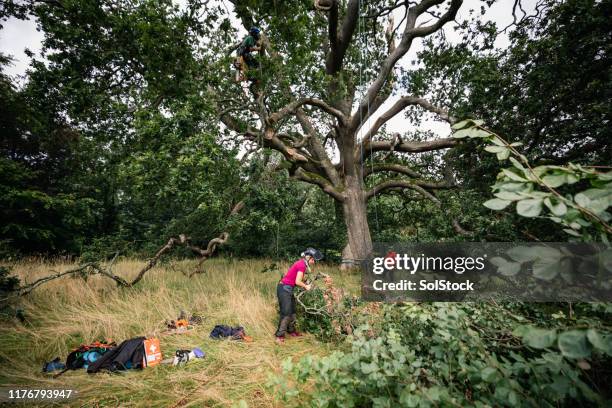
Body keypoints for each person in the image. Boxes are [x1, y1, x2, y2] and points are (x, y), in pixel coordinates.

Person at [275, 248, 323, 344]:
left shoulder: (302, 264)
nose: (313, 262)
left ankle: (291, 331)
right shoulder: (301, 265)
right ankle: (279, 336)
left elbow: (297, 279)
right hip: (284, 288)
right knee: (286, 312)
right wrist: (306, 286)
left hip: (288, 289)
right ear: (308, 257)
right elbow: (297, 281)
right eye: (313, 260)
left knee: (293, 311)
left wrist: (306, 283)